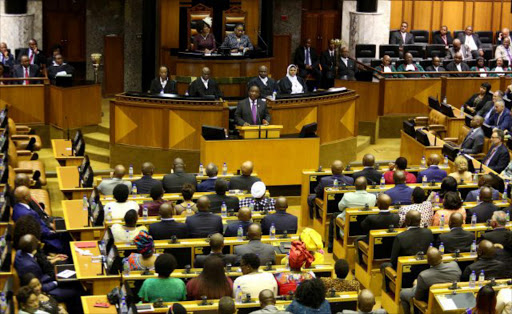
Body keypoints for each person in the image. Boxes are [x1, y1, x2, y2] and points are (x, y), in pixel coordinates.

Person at [15, 235, 82, 312]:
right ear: (33, 246)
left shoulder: (20, 252)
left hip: (42, 281)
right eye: (36, 242)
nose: (38, 242)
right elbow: (39, 286)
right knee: (76, 291)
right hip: (43, 290)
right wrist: (56, 281)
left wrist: (53, 259)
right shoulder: (30, 266)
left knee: (64, 270)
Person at [400, 247, 461, 314]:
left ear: (428, 261)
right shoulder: (455, 265)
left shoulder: (424, 275)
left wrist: (416, 285)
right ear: (441, 257)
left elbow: (418, 297)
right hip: (453, 300)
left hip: (432, 304)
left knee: (402, 293)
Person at [13, 186, 64, 254]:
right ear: (26, 197)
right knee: (66, 235)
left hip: (41, 231)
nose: (31, 195)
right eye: (29, 194)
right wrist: (54, 231)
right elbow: (41, 231)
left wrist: (49, 225)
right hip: (45, 239)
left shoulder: (16, 207)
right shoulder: (28, 213)